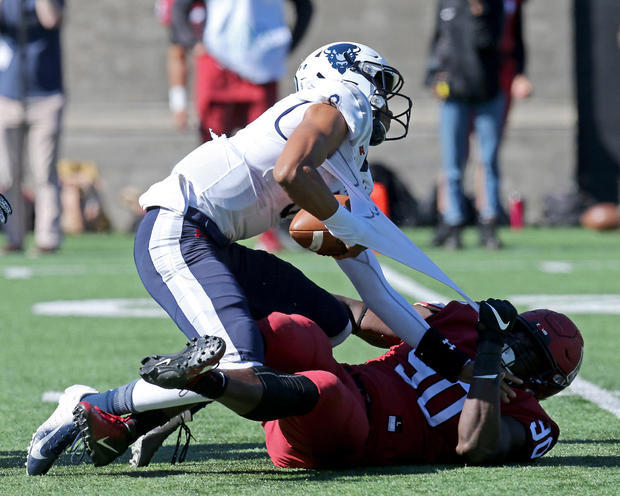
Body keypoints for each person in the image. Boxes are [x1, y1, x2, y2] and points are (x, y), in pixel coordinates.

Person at [26, 41, 479, 476]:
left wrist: (462, 363)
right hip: (178, 231)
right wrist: (340, 218)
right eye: (376, 84)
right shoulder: (327, 110)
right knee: (240, 366)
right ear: (339, 78)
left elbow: (377, 296)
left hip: (217, 244)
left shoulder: (341, 163)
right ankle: (100, 405)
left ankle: (160, 409)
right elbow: (290, 172)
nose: (382, 102)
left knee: (331, 322)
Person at [73, 297, 583, 468]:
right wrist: (301, 294)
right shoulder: (459, 324)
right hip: (333, 388)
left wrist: (492, 354)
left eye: (528, 354)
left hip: (347, 437)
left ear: (547, 382)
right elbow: (365, 316)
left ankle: (205, 386)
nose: (514, 348)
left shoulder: (533, 422)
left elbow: (474, 444)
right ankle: (128, 417)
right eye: (514, 336)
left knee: (327, 387)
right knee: (287, 329)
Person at [171, 0, 314, 143]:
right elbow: (180, 8)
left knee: (263, 143)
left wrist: (287, 45)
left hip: (261, 66)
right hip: (219, 61)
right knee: (212, 141)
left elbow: (304, 7)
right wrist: (193, 42)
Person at [426, 0, 505, 249]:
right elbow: (439, 39)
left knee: (488, 160)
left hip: (487, 91)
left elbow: (488, 43)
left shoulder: (494, 6)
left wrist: (479, 16)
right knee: (452, 164)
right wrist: (432, 74)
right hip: (453, 93)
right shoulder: (447, 4)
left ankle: (489, 221)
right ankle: (452, 222)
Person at [0, 0, 65, 253]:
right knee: (8, 173)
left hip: (46, 93)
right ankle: (13, 235)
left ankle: (47, 236)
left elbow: (50, 19)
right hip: (7, 93)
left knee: (44, 171)